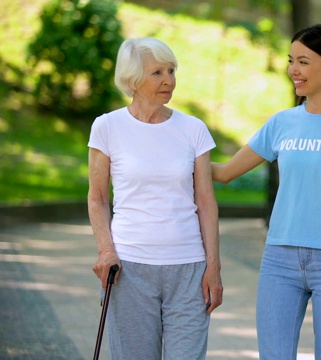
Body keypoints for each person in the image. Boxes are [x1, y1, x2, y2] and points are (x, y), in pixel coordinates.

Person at [211, 24, 321, 359]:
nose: (293, 70)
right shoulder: (281, 123)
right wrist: (173, 145)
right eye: (291, 60)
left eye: (303, 62)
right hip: (280, 260)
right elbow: (224, 173)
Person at [87, 37, 223, 359]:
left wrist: (213, 268)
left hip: (189, 268)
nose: (168, 80)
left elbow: (206, 203)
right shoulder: (107, 127)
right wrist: (106, 251)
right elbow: (97, 199)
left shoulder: (193, 129)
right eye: (157, 73)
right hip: (130, 269)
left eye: (172, 71)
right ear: (133, 79)